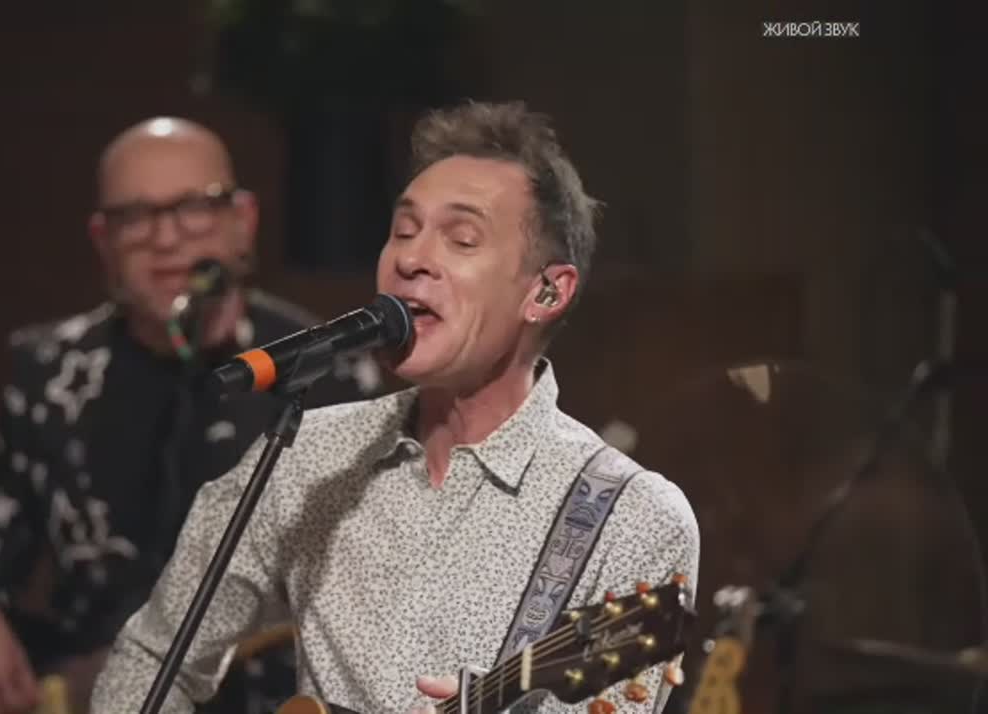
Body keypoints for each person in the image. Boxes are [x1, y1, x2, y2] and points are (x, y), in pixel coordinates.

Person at [91, 100, 701, 714]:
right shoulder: (310, 459)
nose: (410, 259)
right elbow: (155, 654)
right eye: (404, 231)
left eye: (461, 239)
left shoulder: (631, 518)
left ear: (546, 291)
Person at [0, 117, 382, 714]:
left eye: (194, 208)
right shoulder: (49, 370)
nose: (166, 238)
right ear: (103, 240)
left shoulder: (326, 370)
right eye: (136, 217)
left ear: (243, 221)